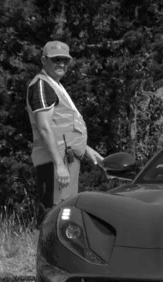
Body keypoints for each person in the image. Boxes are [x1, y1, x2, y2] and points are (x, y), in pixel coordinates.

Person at [26, 40, 104, 223]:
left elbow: (63, 126)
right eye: (56, 60)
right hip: (55, 162)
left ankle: (60, 251)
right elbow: (44, 128)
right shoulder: (42, 85)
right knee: (55, 215)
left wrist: (86, 148)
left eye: (65, 60)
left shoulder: (54, 85)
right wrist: (59, 165)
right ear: (44, 60)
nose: (61, 64)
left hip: (65, 160)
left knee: (65, 214)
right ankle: (49, 252)